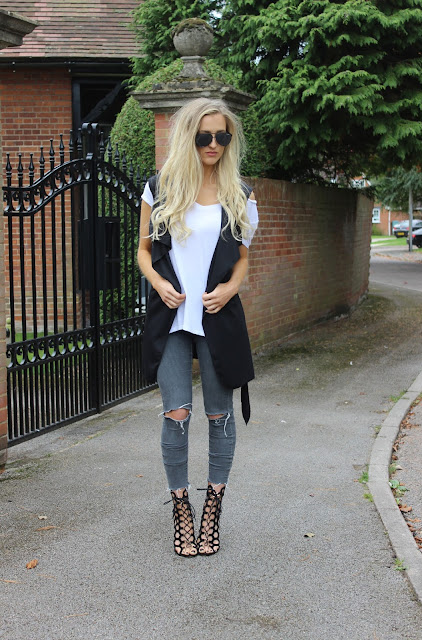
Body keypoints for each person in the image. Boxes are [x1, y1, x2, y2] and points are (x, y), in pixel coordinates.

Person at [137, 97, 258, 557]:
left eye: (222, 136)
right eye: (205, 136)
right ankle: (181, 510)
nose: (213, 144)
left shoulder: (240, 193)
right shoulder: (160, 189)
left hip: (217, 317)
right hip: (172, 319)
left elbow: (243, 259)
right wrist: (158, 282)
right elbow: (143, 251)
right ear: (189, 136)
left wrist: (230, 288)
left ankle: (212, 510)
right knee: (176, 414)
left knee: (219, 415)